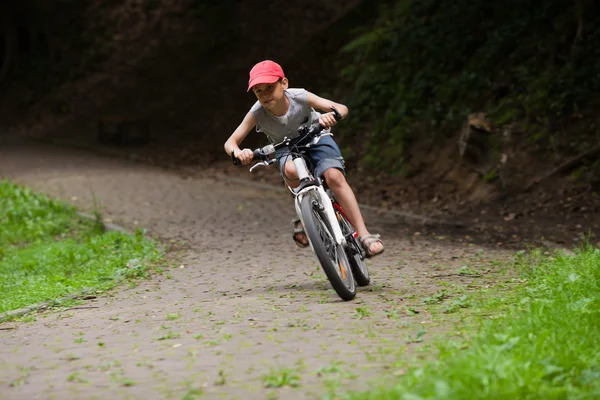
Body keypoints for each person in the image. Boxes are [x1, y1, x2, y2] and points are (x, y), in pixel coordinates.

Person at [223, 60, 384, 258]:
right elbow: (230, 142)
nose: (265, 95)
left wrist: (330, 115)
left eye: (269, 88)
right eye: (258, 91)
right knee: (291, 171)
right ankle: (306, 212)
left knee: (333, 177)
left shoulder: (300, 96)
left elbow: (341, 107)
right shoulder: (257, 112)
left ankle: (364, 235)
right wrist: (239, 153)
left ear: (284, 83)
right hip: (285, 148)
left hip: (316, 138)